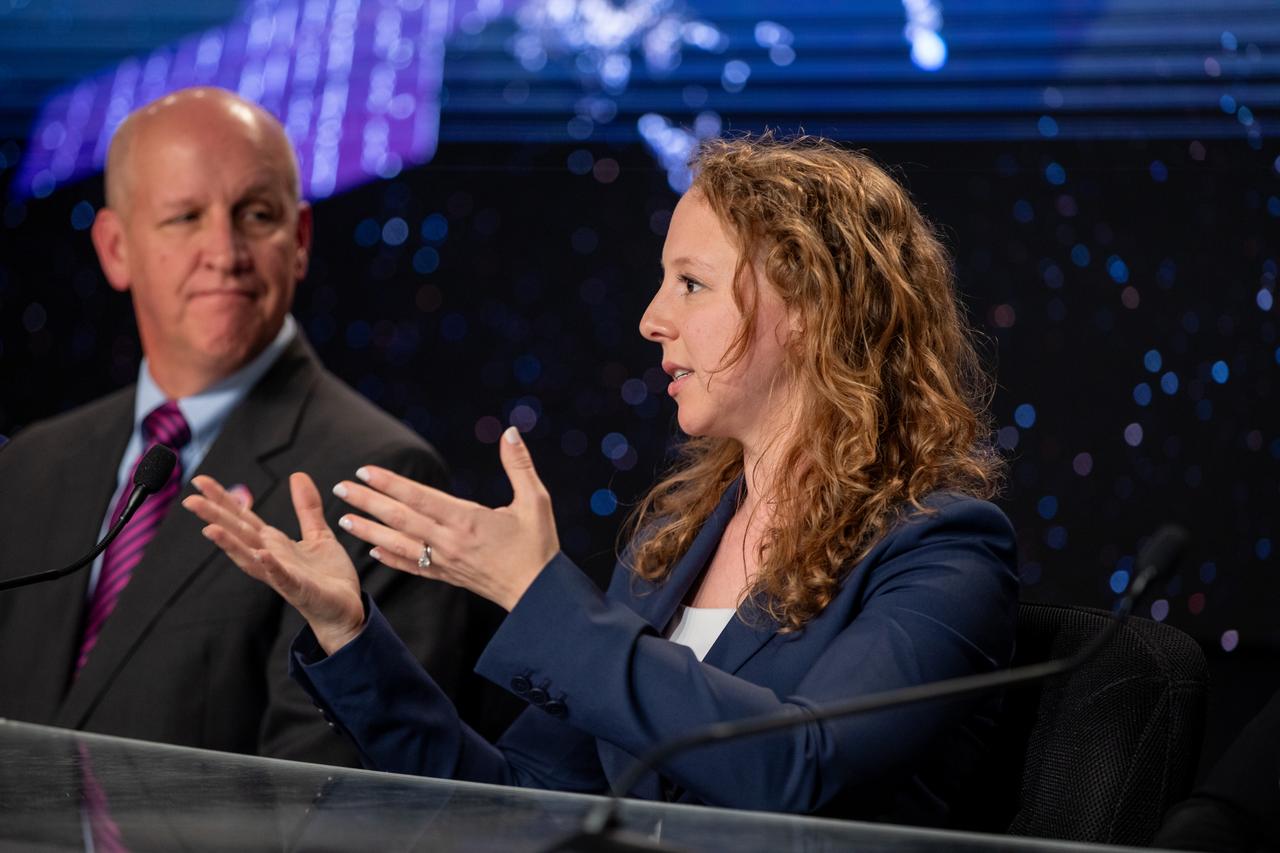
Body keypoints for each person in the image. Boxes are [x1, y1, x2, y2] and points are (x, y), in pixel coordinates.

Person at [185, 134, 1018, 823]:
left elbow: (800, 768)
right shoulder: (670, 549)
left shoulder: (943, 549)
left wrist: (537, 594)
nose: (652, 318)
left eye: (691, 283)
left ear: (811, 308)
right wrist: (350, 634)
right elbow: (518, 805)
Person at [0, 87, 469, 765]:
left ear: (300, 240)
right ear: (115, 248)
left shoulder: (379, 480)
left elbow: (335, 800)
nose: (225, 251)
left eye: (255, 214)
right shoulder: (30, 468)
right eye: (184, 217)